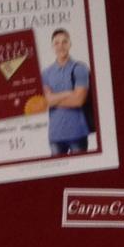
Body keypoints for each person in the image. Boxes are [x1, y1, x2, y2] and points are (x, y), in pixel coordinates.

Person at [41, 27, 91, 155]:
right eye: (56, 43)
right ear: (52, 46)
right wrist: (69, 93)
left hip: (77, 133)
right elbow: (44, 102)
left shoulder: (80, 68)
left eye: (64, 42)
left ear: (70, 44)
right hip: (55, 135)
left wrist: (53, 99)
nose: (60, 46)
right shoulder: (46, 73)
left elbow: (79, 101)